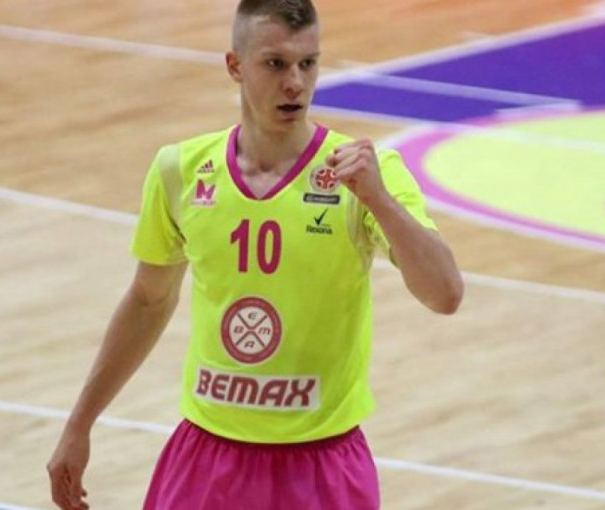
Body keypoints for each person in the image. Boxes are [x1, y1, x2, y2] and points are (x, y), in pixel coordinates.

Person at [47, 0, 464, 508]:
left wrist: (379, 199)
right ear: (235, 66)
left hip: (321, 464)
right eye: (275, 64)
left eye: (308, 63)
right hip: (207, 459)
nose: (295, 83)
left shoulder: (365, 174)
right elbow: (148, 300)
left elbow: (445, 295)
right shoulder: (180, 170)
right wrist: (79, 424)